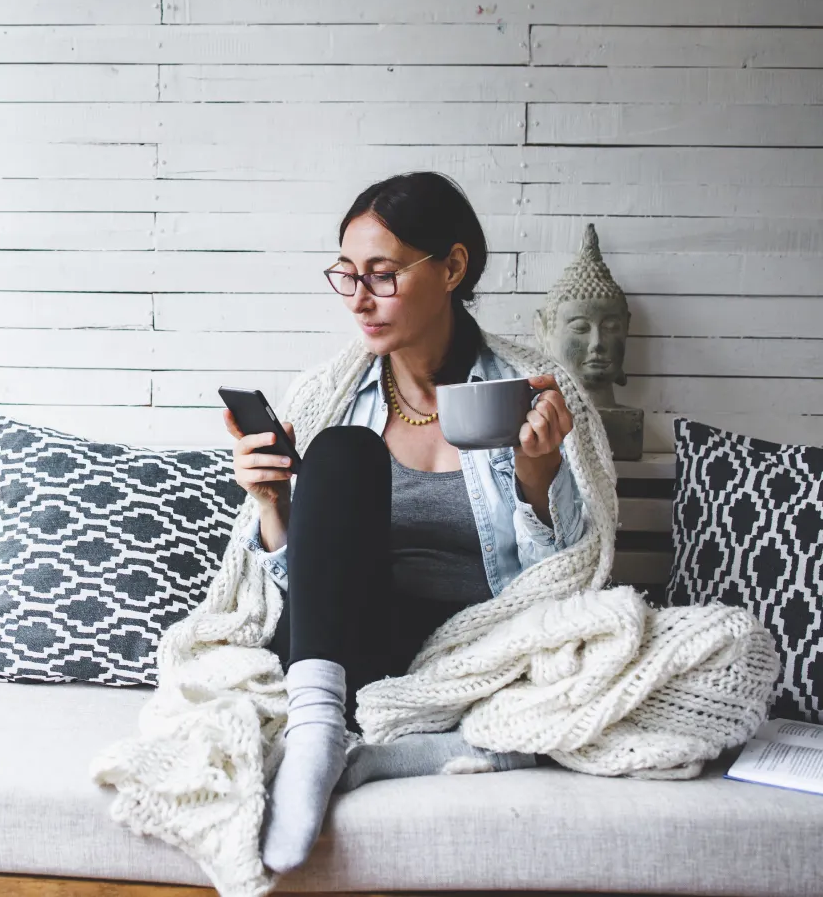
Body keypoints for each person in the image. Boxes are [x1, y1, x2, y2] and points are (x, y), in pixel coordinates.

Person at [222, 172, 589, 874]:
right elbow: (295, 584)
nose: (360, 298)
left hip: (479, 653)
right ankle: (317, 737)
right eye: (347, 275)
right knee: (343, 449)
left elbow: (572, 581)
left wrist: (538, 475)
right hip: (344, 655)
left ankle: (397, 753)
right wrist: (271, 505)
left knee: (608, 670)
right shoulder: (327, 395)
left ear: (451, 267)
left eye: (382, 275)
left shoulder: (535, 390)